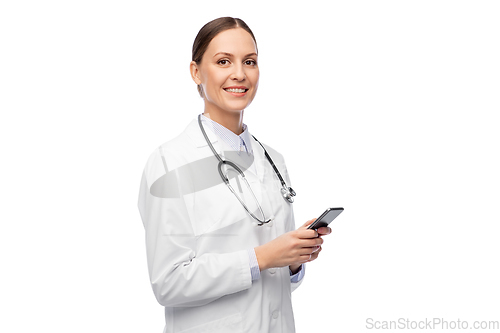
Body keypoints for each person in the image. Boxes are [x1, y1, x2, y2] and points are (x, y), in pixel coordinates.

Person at [138, 17, 332, 333]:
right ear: (196, 72)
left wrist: (293, 260)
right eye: (223, 61)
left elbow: (270, 287)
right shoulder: (169, 162)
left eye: (250, 61)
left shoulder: (273, 160)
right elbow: (169, 284)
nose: (239, 73)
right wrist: (263, 257)